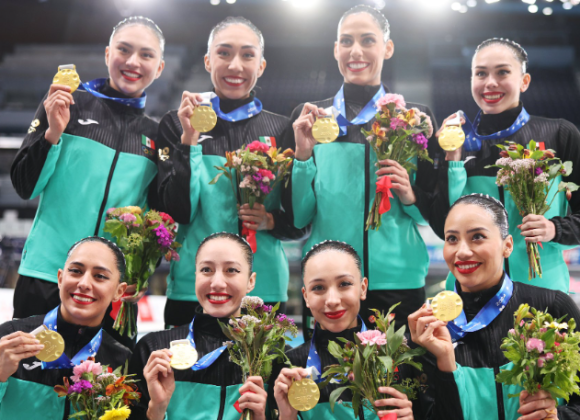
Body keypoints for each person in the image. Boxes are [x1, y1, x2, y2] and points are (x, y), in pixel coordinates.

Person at [280, 4, 442, 337]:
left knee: (399, 386)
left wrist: (410, 196)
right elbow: (299, 218)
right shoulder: (311, 118)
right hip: (332, 285)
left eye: (368, 40)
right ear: (335, 49)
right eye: (346, 41)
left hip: (399, 281)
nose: (356, 51)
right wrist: (303, 155)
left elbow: (430, 217)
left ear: (387, 47)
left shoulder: (415, 119)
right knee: (332, 387)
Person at [10, 16, 166, 346]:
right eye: (124, 50)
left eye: (146, 54)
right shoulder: (66, 102)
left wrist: (137, 275)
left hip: (111, 291)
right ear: (108, 53)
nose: (133, 62)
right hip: (47, 275)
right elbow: (24, 185)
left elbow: (157, 223)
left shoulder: (156, 135)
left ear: (160, 67)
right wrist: (53, 132)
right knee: (26, 386)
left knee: (103, 393)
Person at [157, 16, 306, 328]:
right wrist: (189, 141)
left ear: (261, 65)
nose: (235, 65)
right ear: (208, 60)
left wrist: (272, 221)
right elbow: (177, 212)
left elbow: (301, 223)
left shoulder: (281, 129)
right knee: (187, 377)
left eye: (247, 55)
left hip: (262, 290)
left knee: (257, 377)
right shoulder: (177, 122)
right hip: (193, 288)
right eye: (224, 53)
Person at [410, 193, 580, 420]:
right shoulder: (428, 330)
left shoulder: (552, 309)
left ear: (507, 245)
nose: (461, 251)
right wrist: (445, 363)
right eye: (451, 239)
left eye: (477, 237)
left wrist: (558, 416)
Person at [432, 38, 580, 293]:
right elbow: (441, 226)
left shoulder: (559, 134)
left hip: (544, 293)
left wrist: (554, 229)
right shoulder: (455, 142)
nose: (490, 82)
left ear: (524, 81)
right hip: (471, 295)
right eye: (481, 73)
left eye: (502, 72)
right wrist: (452, 162)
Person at [272, 241, 429, 420]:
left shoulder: (398, 353)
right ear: (306, 296)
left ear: (362, 288)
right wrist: (286, 417)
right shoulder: (291, 366)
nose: (332, 300)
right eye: (318, 288)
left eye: (344, 283)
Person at [128, 232, 269, 420]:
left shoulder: (271, 354)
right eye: (206, 270)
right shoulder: (154, 349)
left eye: (231, 270)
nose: (217, 282)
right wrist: (157, 409)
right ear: (195, 276)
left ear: (250, 281)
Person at [0, 237, 131, 419]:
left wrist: (157, 409)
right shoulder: (9, 339)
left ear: (119, 291)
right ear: (60, 278)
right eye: (76, 271)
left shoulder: (123, 363)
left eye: (100, 276)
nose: (84, 284)